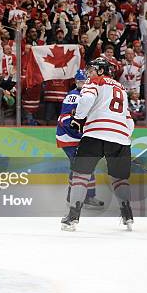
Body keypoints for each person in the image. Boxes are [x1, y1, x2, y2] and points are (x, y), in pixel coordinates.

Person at [61, 58, 135, 231]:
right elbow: (129, 122)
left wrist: (78, 119)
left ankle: (72, 217)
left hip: (95, 133)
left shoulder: (95, 81)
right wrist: (122, 138)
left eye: (92, 69)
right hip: (121, 138)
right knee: (119, 178)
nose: (89, 73)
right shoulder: (121, 88)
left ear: (101, 71)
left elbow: (86, 100)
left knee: (81, 174)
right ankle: (128, 217)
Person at [55, 70, 104, 209]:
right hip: (69, 138)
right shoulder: (73, 96)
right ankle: (73, 197)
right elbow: (65, 119)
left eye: (85, 81)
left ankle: (88, 196)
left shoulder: (89, 96)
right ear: (76, 82)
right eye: (80, 81)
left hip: (78, 138)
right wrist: (81, 131)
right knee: (79, 166)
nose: (83, 84)